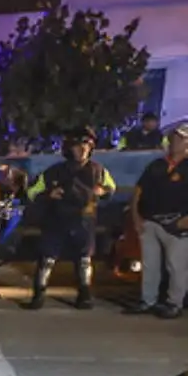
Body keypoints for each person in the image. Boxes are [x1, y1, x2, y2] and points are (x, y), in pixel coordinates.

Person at [26, 126, 115, 311]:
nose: (83, 149)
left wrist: (103, 191)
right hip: (57, 220)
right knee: (47, 258)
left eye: (87, 145)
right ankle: (39, 294)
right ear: (69, 148)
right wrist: (49, 194)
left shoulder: (98, 171)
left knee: (84, 260)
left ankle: (84, 295)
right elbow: (32, 192)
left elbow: (111, 189)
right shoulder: (54, 171)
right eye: (78, 145)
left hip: (84, 220)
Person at [124, 122, 188, 320]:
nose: (174, 141)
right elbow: (138, 191)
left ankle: (174, 303)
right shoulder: (157, 165)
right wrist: (136, 217)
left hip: (178, 223)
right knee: (150, 264)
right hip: (150, 221)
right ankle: (148, 300)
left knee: (176, 266)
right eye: (173, 138)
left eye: (180, 138)